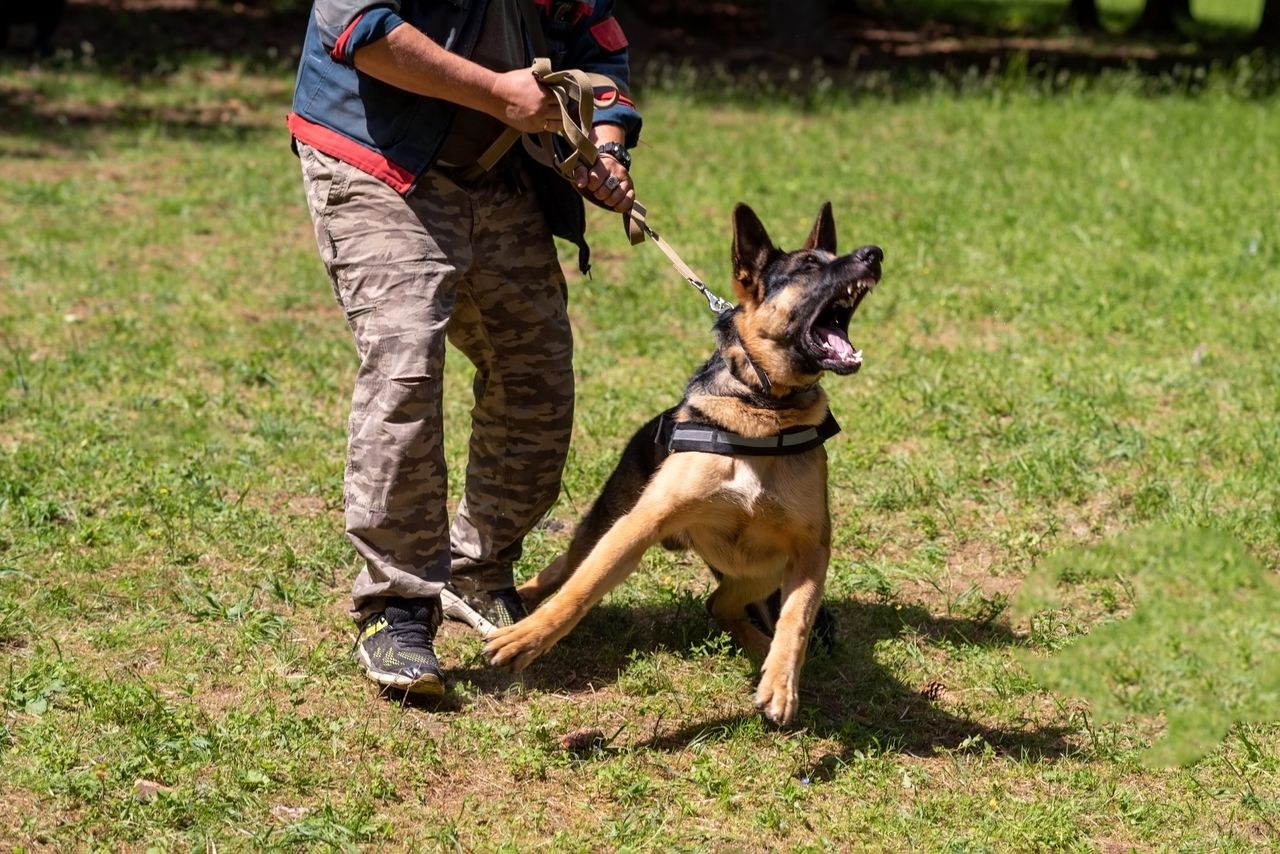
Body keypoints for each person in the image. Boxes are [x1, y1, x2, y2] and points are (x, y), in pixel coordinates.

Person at [290, 0, 641, 696]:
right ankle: (395, 607)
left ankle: (476, 571)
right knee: (406, 362)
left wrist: (603, 147)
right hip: (376, 162)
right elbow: (362, 32)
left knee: (534, 371)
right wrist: (497, 93)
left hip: (498, 166)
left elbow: (599, 51)